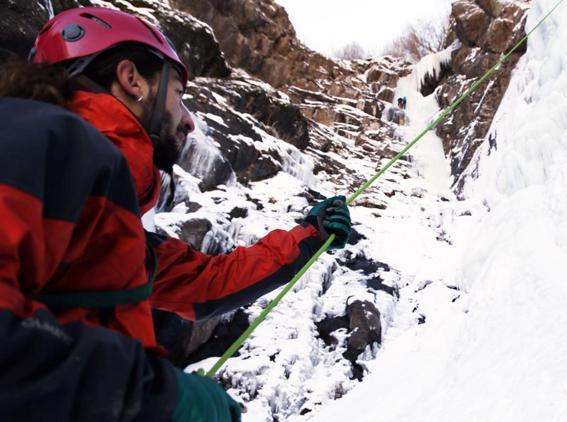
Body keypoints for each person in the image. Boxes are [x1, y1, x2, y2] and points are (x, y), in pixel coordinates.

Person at [0, 7, 351, 421]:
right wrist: (159, 398)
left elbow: (203, 282)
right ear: (132, 80)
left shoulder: (107, 218)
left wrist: (307, 236)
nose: (188, 122)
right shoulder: (41, 143)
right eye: (179, 96)